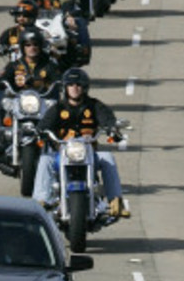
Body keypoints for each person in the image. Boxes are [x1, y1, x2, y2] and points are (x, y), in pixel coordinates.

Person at [32, 67, 130, 218]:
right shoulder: (58, 108)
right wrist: (39, 132)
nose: (75, 88)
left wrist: (112, 129)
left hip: (89, 153)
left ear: (85, 87)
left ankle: (115, 201)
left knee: (108, 157)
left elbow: (107, 119)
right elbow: (44, 124)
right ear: (65, 87)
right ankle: (40, 201)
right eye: (71, 84)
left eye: (79, 84)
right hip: (63, 154)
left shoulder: (94, 105)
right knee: (45, 160)